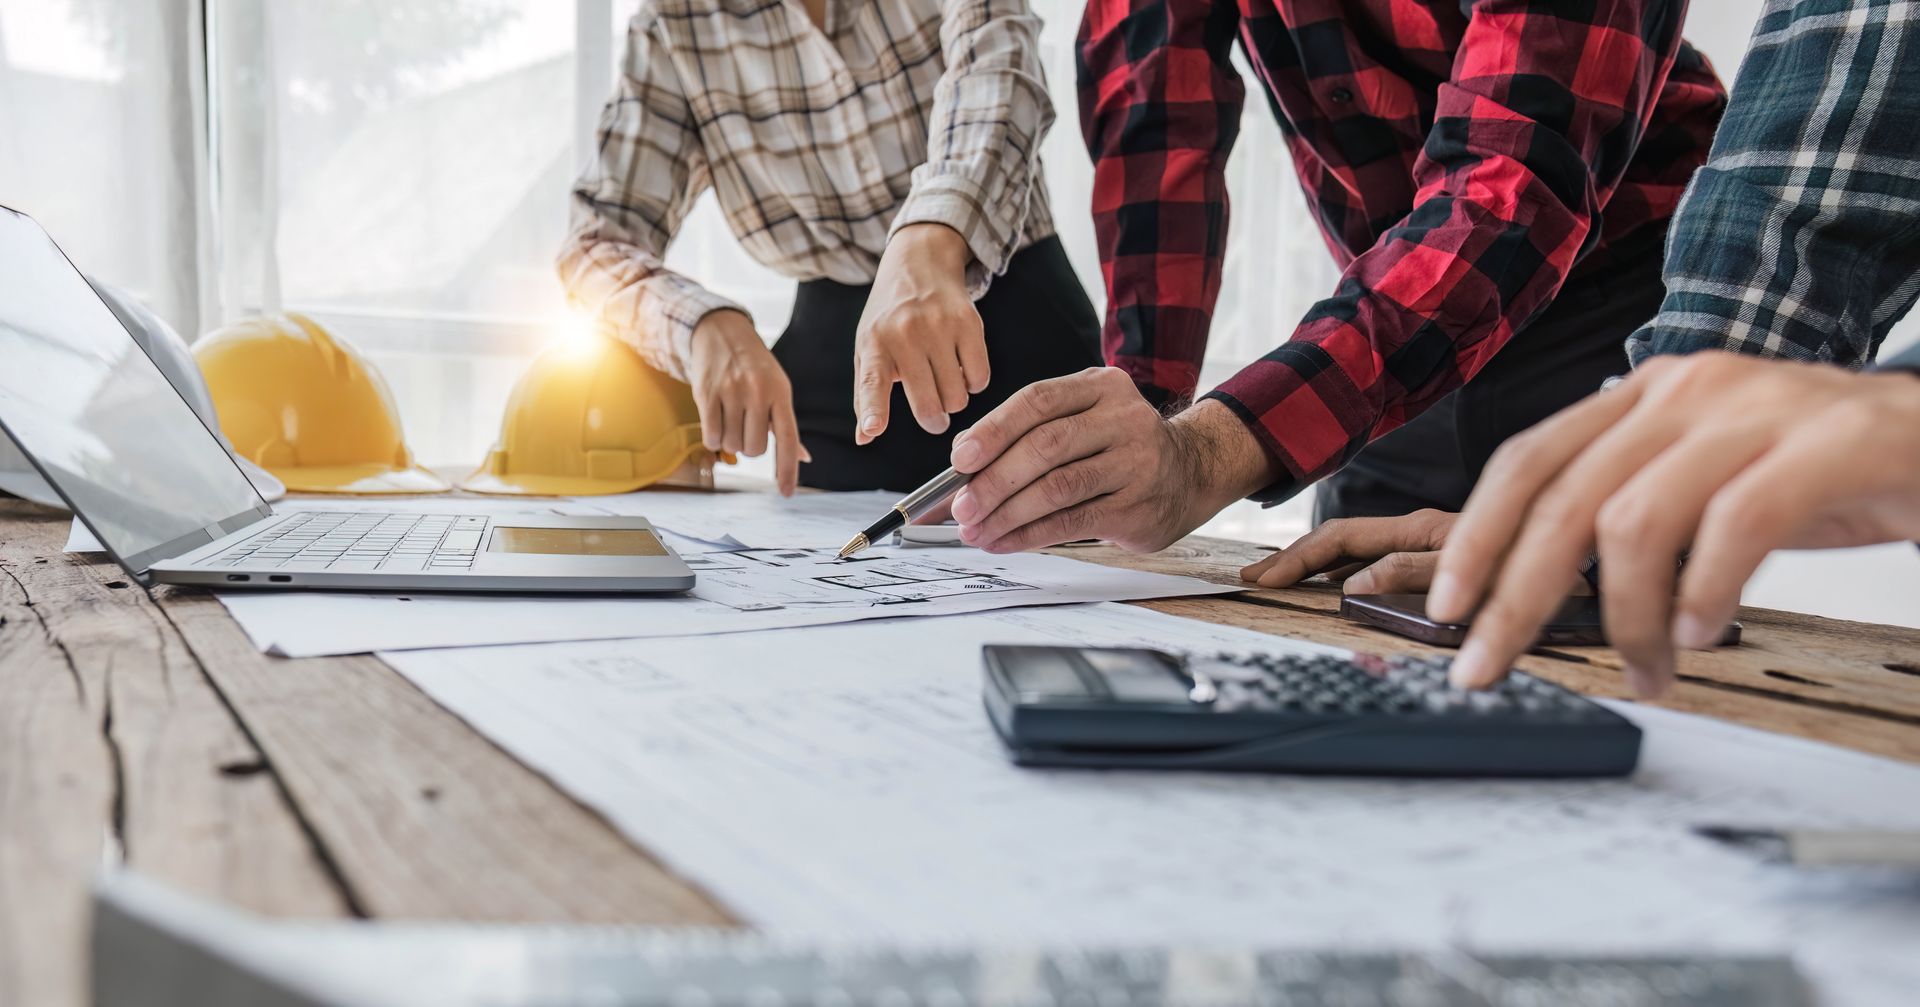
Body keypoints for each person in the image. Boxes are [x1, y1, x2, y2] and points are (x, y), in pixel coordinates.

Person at [1242, 0, 1920, 695]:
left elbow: (1512, 175)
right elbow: (1812, 174)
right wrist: (1178, 428)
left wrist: (1226, 438)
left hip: (1614, 285)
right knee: (1359, 614)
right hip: (1408, 311)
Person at [945, 0, 1726, 550]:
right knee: (1345, 636)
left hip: (1622, 304)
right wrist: (1132, 434)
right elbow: (1157, 116)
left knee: (1605, 654)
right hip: (1403, 312)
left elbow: (1508, 190)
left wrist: (1204, 456)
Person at [559, 0, 1101, 496]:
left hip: (1026, 349)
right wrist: (700, 325)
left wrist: (932, 236)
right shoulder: (672, 22)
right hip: (838, 404)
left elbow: (1000, 66)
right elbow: (594, 246)